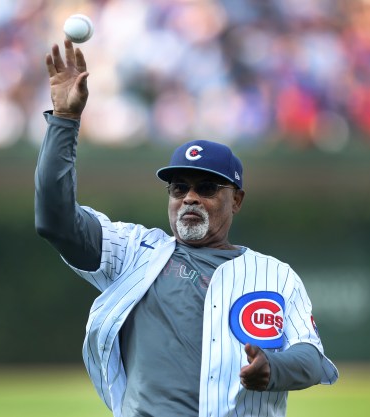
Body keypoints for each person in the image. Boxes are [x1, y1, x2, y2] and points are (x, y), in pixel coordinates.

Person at [35, 39, 338, 417]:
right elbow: (55, 219)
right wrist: (64, 121)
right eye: (180, 188)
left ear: (237, 200)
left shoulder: (274, 276)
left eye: (207, 188)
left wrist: (275, 368)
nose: (190, 198)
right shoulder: (134, 253)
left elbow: (312, 357)